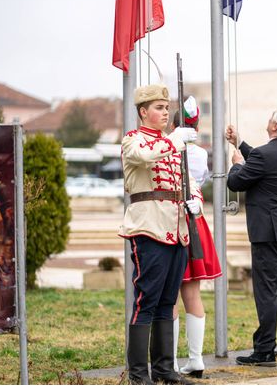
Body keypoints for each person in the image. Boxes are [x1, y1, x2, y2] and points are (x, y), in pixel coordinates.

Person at [118, 84, 201, 385]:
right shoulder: (133, 139)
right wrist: (173, 141)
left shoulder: (172, 143)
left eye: (167, 108)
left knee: (168, 301)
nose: (165, 113)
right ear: (143, 111)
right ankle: (140, 375)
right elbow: (143, 156)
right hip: (149, 227)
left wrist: (197, 202)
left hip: (177, 229)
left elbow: (188, 181)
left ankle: (165, 369)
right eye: (158, 108)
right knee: (147, 300)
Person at [225, 104, 277, 367]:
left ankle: (264, 350)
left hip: (267, 232)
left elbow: (235, 182)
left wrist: (236, 164)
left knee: (266, 290)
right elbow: (263, 160)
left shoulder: (264, 155)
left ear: (274, 127)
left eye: (271, 118)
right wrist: (241, 143)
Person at [169, 97, 222, 378]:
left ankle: (173, 363)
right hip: (196, 218)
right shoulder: (201, 153)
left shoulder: (168, 147)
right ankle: (196, 359)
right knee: (193, 294)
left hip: (175, 220)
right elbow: (198, 185)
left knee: (171, 297)